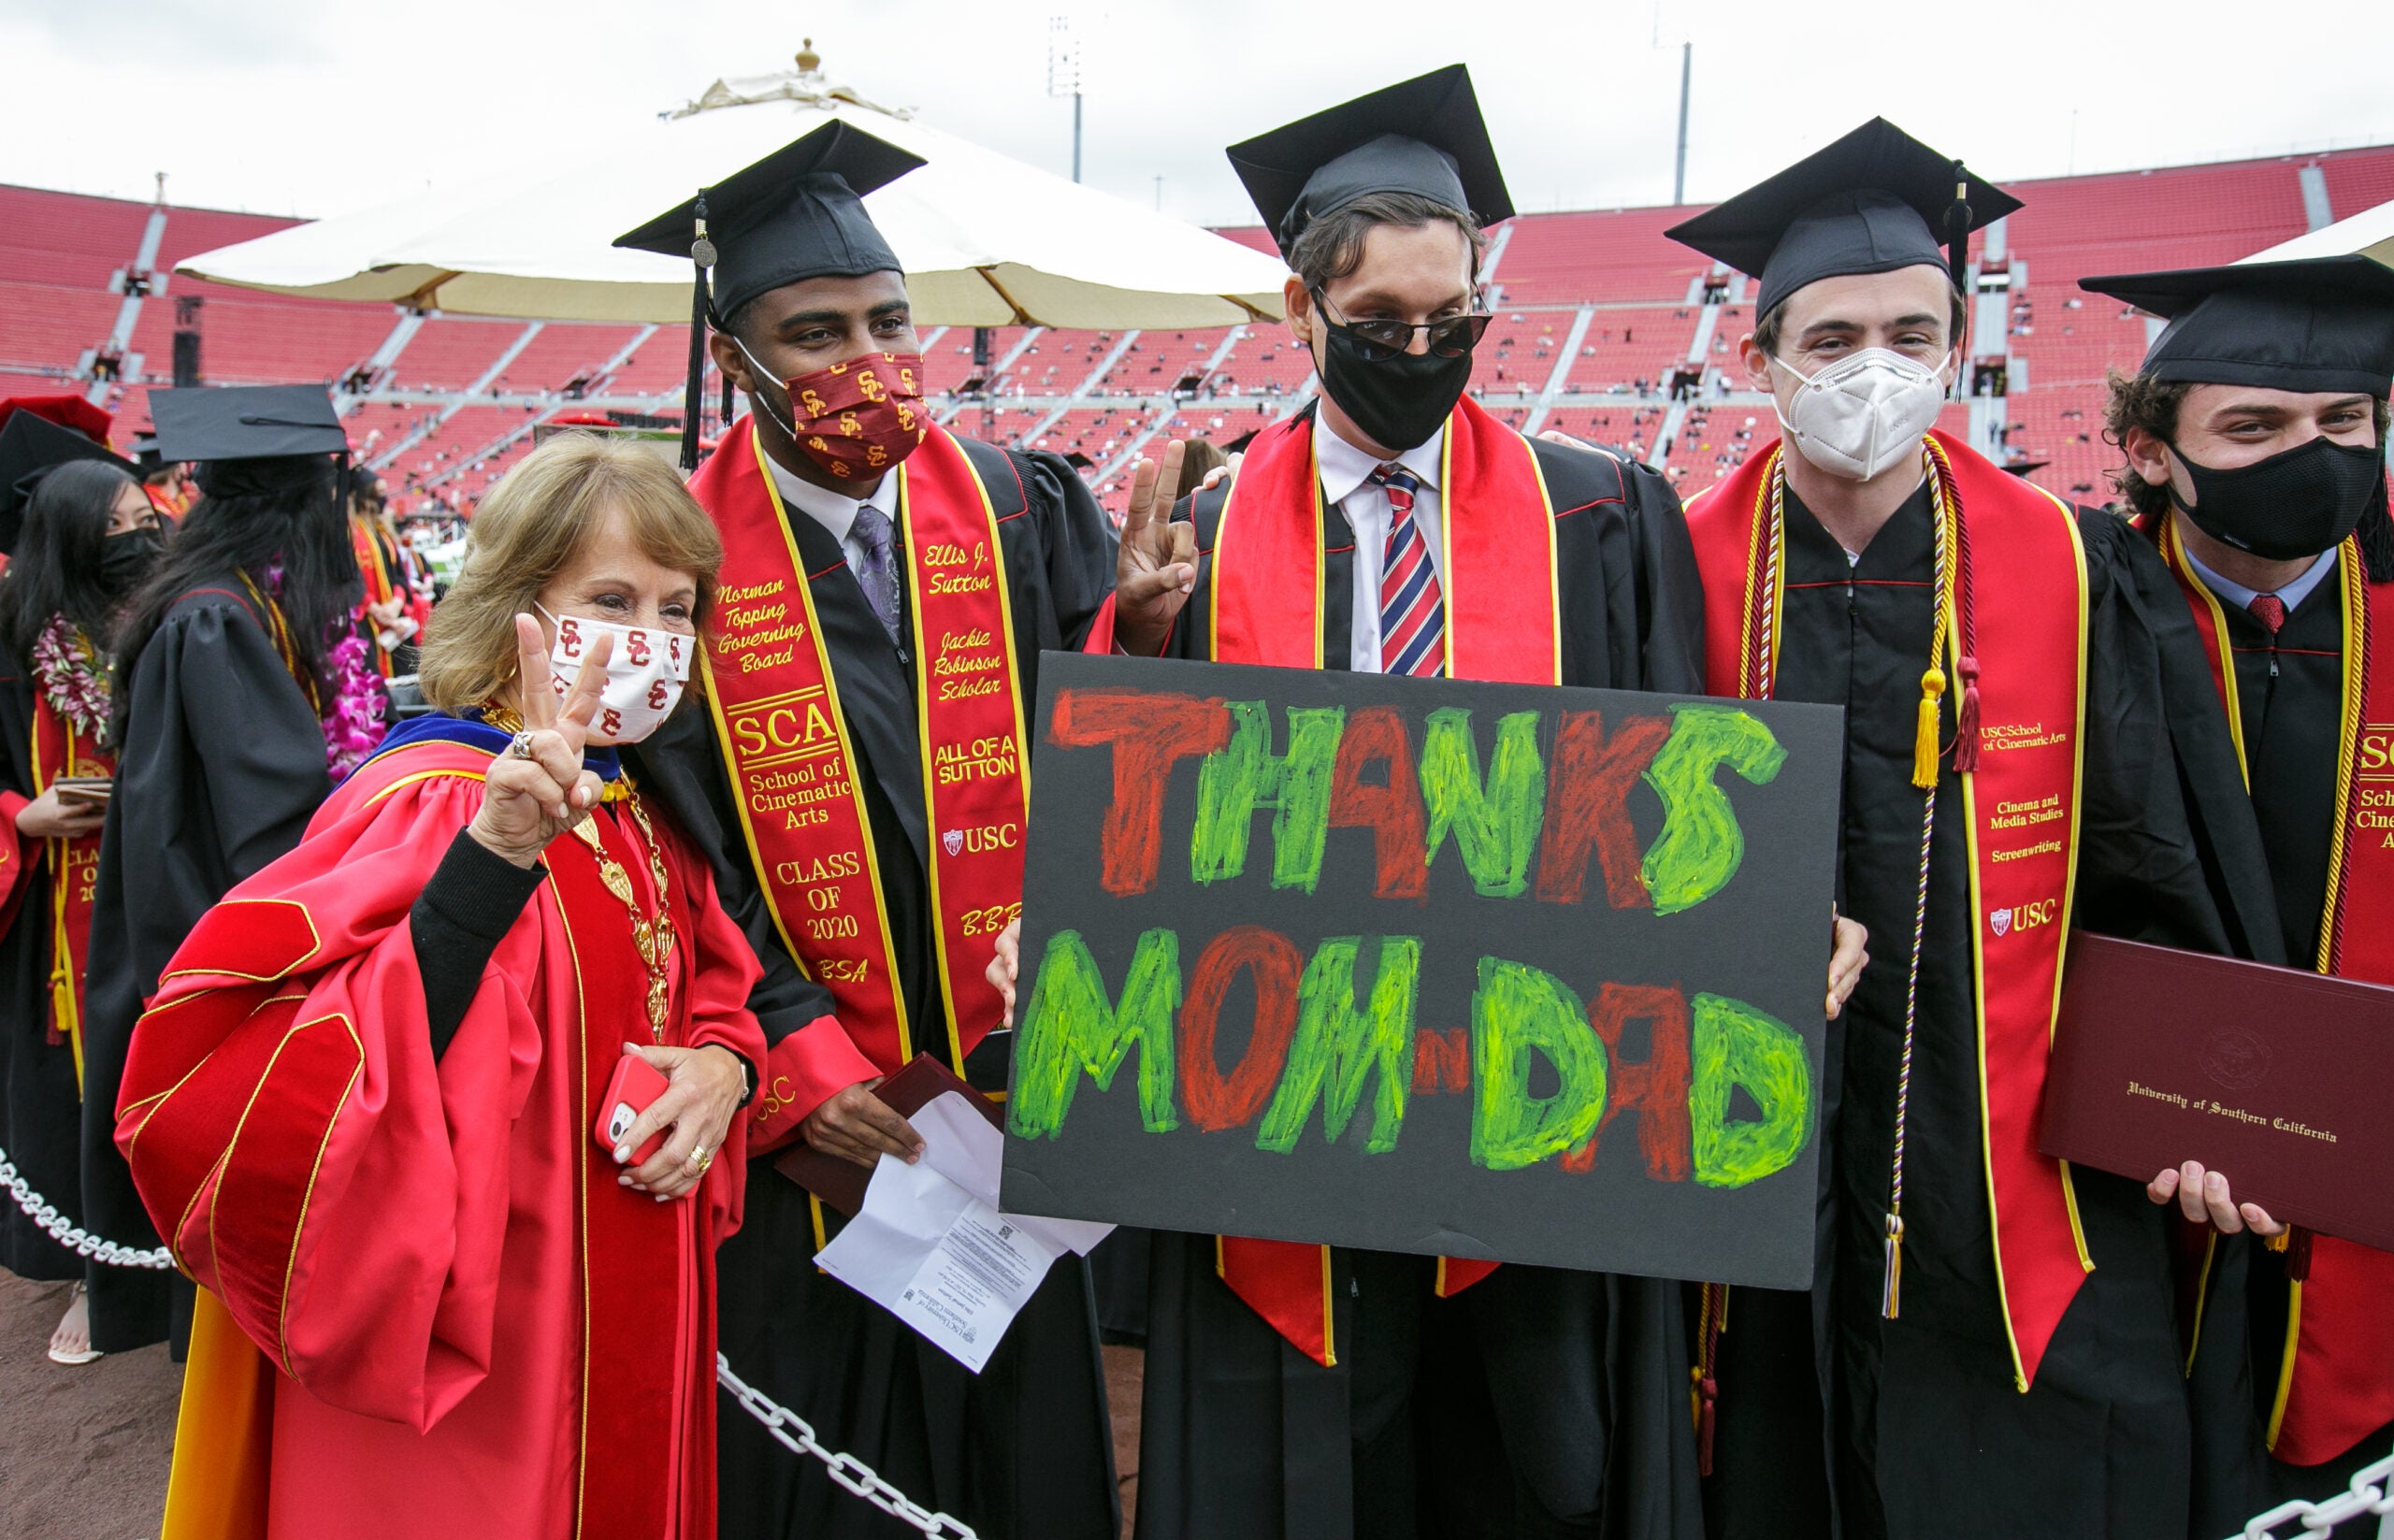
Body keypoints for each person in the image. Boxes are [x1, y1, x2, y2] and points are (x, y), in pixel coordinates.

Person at [1082, 65, 1858, 1540]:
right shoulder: (1198, 532)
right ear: (1304, 312)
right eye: (1382, 326)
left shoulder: (1600, 512)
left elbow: (1678, 781)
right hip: (1286, 1105)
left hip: (1532, 1103)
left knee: (1536, 1473)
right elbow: (1141, 824)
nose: (1424, 349)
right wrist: (1146, 638)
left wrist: (1768, 916)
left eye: (1458, 320)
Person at [1664, 120, 2266, 1540]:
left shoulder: (2069, 564)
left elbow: (2150, 864)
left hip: (2000, 1158)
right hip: (1748, 1135)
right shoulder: (1669, 563)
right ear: (1759, 362)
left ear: (1957, 341)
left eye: (1912, 329)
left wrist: (2198, 1096)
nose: (1876, 364)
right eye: (1834, 337)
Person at [114, 432, 766, 1538]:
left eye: (677, 609)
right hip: (482, 1327)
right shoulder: (436, 803)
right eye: (612, 598)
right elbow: (302, 1072)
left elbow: (713, 973)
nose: (652, 640)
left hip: (632, 1285)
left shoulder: (641, 803)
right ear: (520, 606)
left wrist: (723, 1065)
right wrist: (493, 861)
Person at [613, 120, 1120, 1539]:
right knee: (837, 1454)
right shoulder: (678, 566)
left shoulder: (1017, 503)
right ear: (738, 360)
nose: (867, 359)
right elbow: (677, 848)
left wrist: (1145, 627)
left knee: (1027, 1445)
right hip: (829, 1114)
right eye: (817, 329)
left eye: (891, 321)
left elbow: (1094, 758)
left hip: (1019, 1066)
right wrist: (793, 1055)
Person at [2084, 252, 2394, 1532]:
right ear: (2154, 450)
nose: (2310, 454)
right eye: (2256, 426)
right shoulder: (2082, 604)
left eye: (2346, 424)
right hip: (2139, 1181)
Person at [77, 384, 384, 1358]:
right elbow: (274, 813)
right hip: (225, 925)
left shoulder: (229, 601)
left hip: (209, 905)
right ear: (301, 507)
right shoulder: (216, 622)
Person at [0, 433, 163, 1365]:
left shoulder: (163, 621)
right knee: (67, 1090)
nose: (138, 539)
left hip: (143, 886)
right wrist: (25, 816)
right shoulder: (13, 642)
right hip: (47, 916)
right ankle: (86, 1272)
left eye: (146, 520)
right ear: (66, 538)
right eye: (116, 527)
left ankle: (158, 1254)